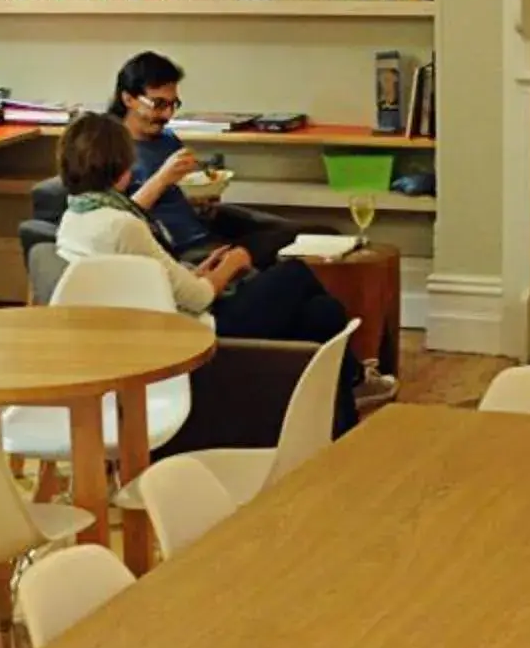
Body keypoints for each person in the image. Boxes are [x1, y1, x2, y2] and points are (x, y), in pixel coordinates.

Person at [52, 112, 361, 432]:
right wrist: (233, 263)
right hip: (196, 332)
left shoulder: (75, 217)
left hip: (163, 319)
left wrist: (197, 271)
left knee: (322, 313)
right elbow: (198, 298)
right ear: (121, 166)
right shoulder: (122, 225)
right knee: (295, 273)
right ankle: (352, 382)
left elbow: (151, 282)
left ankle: (338, 414)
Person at [107, 51, 296, 273]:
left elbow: (180, 196)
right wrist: (161, 179)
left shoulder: (167, 139)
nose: (167, 115)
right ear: (128, 98)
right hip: (180, 250)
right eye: (158, 104)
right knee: (290, 253)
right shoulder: (112, 149)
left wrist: (201, 203)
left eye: (172, 104)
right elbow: (117, 219)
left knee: (305, 234)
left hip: (205, 230)